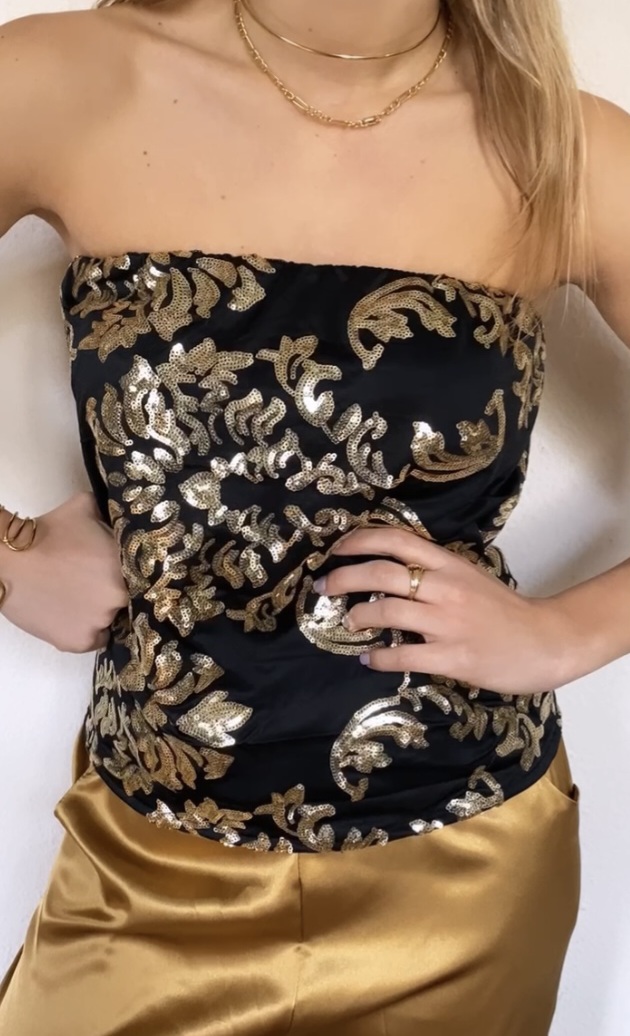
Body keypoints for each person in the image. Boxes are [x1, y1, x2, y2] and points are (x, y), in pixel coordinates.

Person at [0, 0, 628, 1033]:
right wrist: (10, 558)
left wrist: (569, 632)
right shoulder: (60, 81)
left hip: (463, 867)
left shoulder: (562, 144)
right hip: (145, 860)